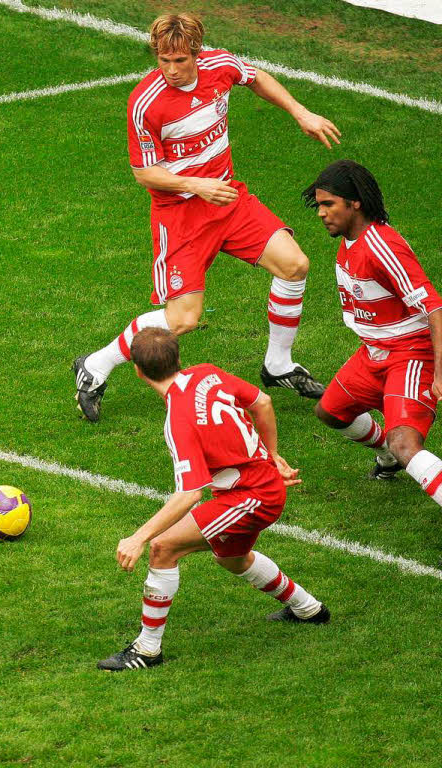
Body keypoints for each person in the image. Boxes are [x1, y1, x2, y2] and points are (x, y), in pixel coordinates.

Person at [73, 12, 340, 423]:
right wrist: (197, 185)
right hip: (181, 215)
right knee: (183, 320)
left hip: (229, 200)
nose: (172, 70)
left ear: (197, 52)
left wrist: (299, 112)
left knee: (295, 265)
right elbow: (144, 172)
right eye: (164, 61)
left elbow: (258, 78)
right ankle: (96, 365)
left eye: (180, 60)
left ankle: (278, 365)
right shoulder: (145, 103)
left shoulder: (221, 66)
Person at [97, 327, 328, 671]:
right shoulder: (206, 373)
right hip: (255, 487)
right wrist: (271, 456)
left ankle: (147, 651)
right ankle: (309, 609)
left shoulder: (178, 420)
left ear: (138, 370)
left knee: (163, 547)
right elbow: (262, 403)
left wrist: (138, 537)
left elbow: (190, 493)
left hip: (250, 496)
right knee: (232, 558)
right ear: (178, 359)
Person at [305, 160, 442, 505]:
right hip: (374, 353)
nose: (321, 213)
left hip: (410, 355)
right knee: (330, 412)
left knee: (406, 443)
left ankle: (396, 453)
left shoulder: (382, 246)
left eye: (328, 204)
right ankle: (388, 457)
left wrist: (439, 371)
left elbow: (435, 308)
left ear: (355, 203)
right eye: (319, 205)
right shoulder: (350, 243)